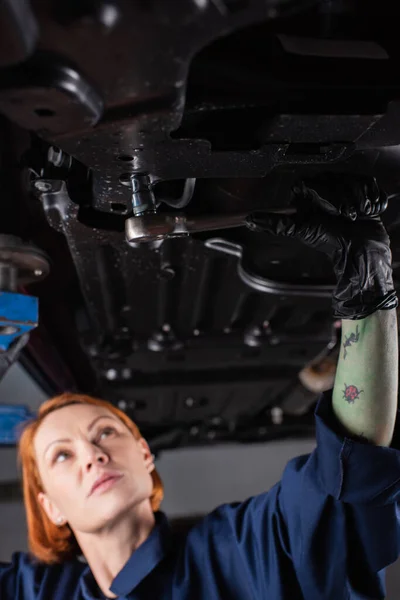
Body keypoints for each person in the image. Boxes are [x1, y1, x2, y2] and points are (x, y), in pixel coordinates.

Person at [0, 174, 399, 600]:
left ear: (144, 453)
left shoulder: (247, 551)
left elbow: (348, 468)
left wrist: (367, 283)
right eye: (61, 455)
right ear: (49, 506)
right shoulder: (33, 592)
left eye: (107, 432)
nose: (94, 455)